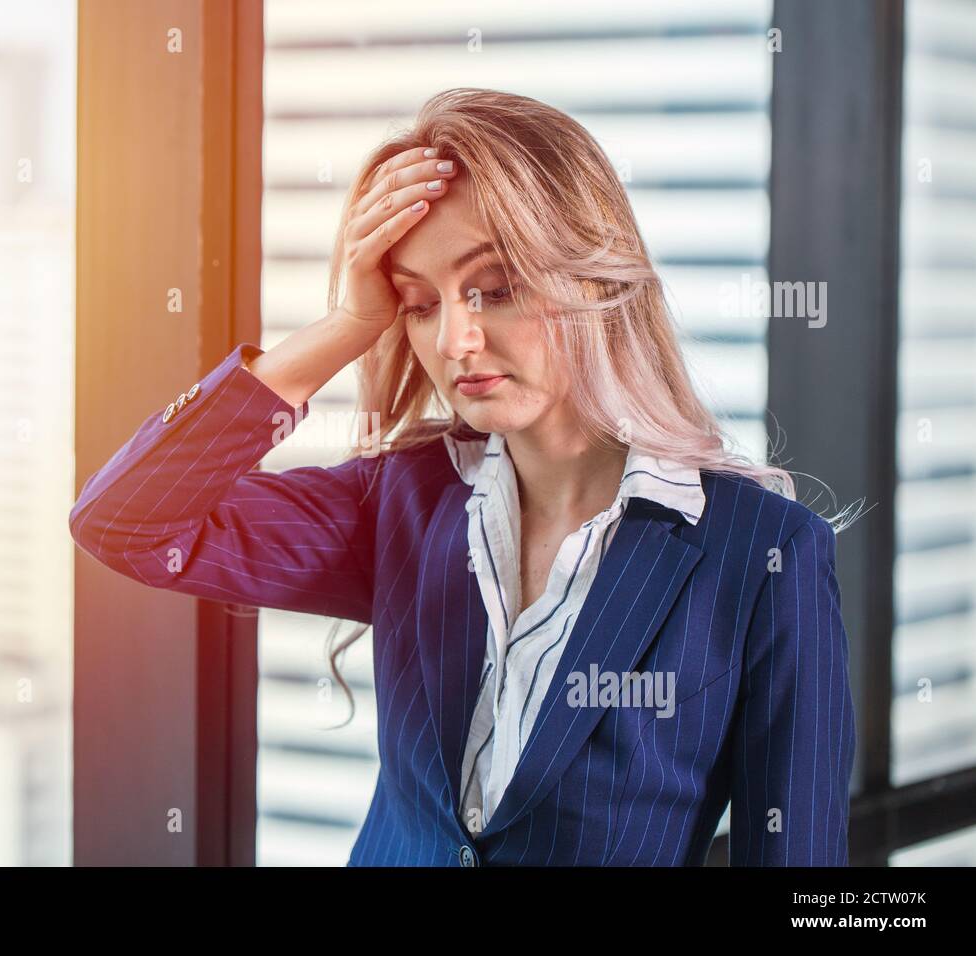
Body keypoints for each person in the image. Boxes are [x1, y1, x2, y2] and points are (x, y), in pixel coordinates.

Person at [69, 88, 856, 866]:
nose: (454, 339)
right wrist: (347, 326)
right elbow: (126, 522)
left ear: (596, 276)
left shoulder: (763, 554)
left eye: (497, 288)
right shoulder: (399, 504)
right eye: (416, 303)